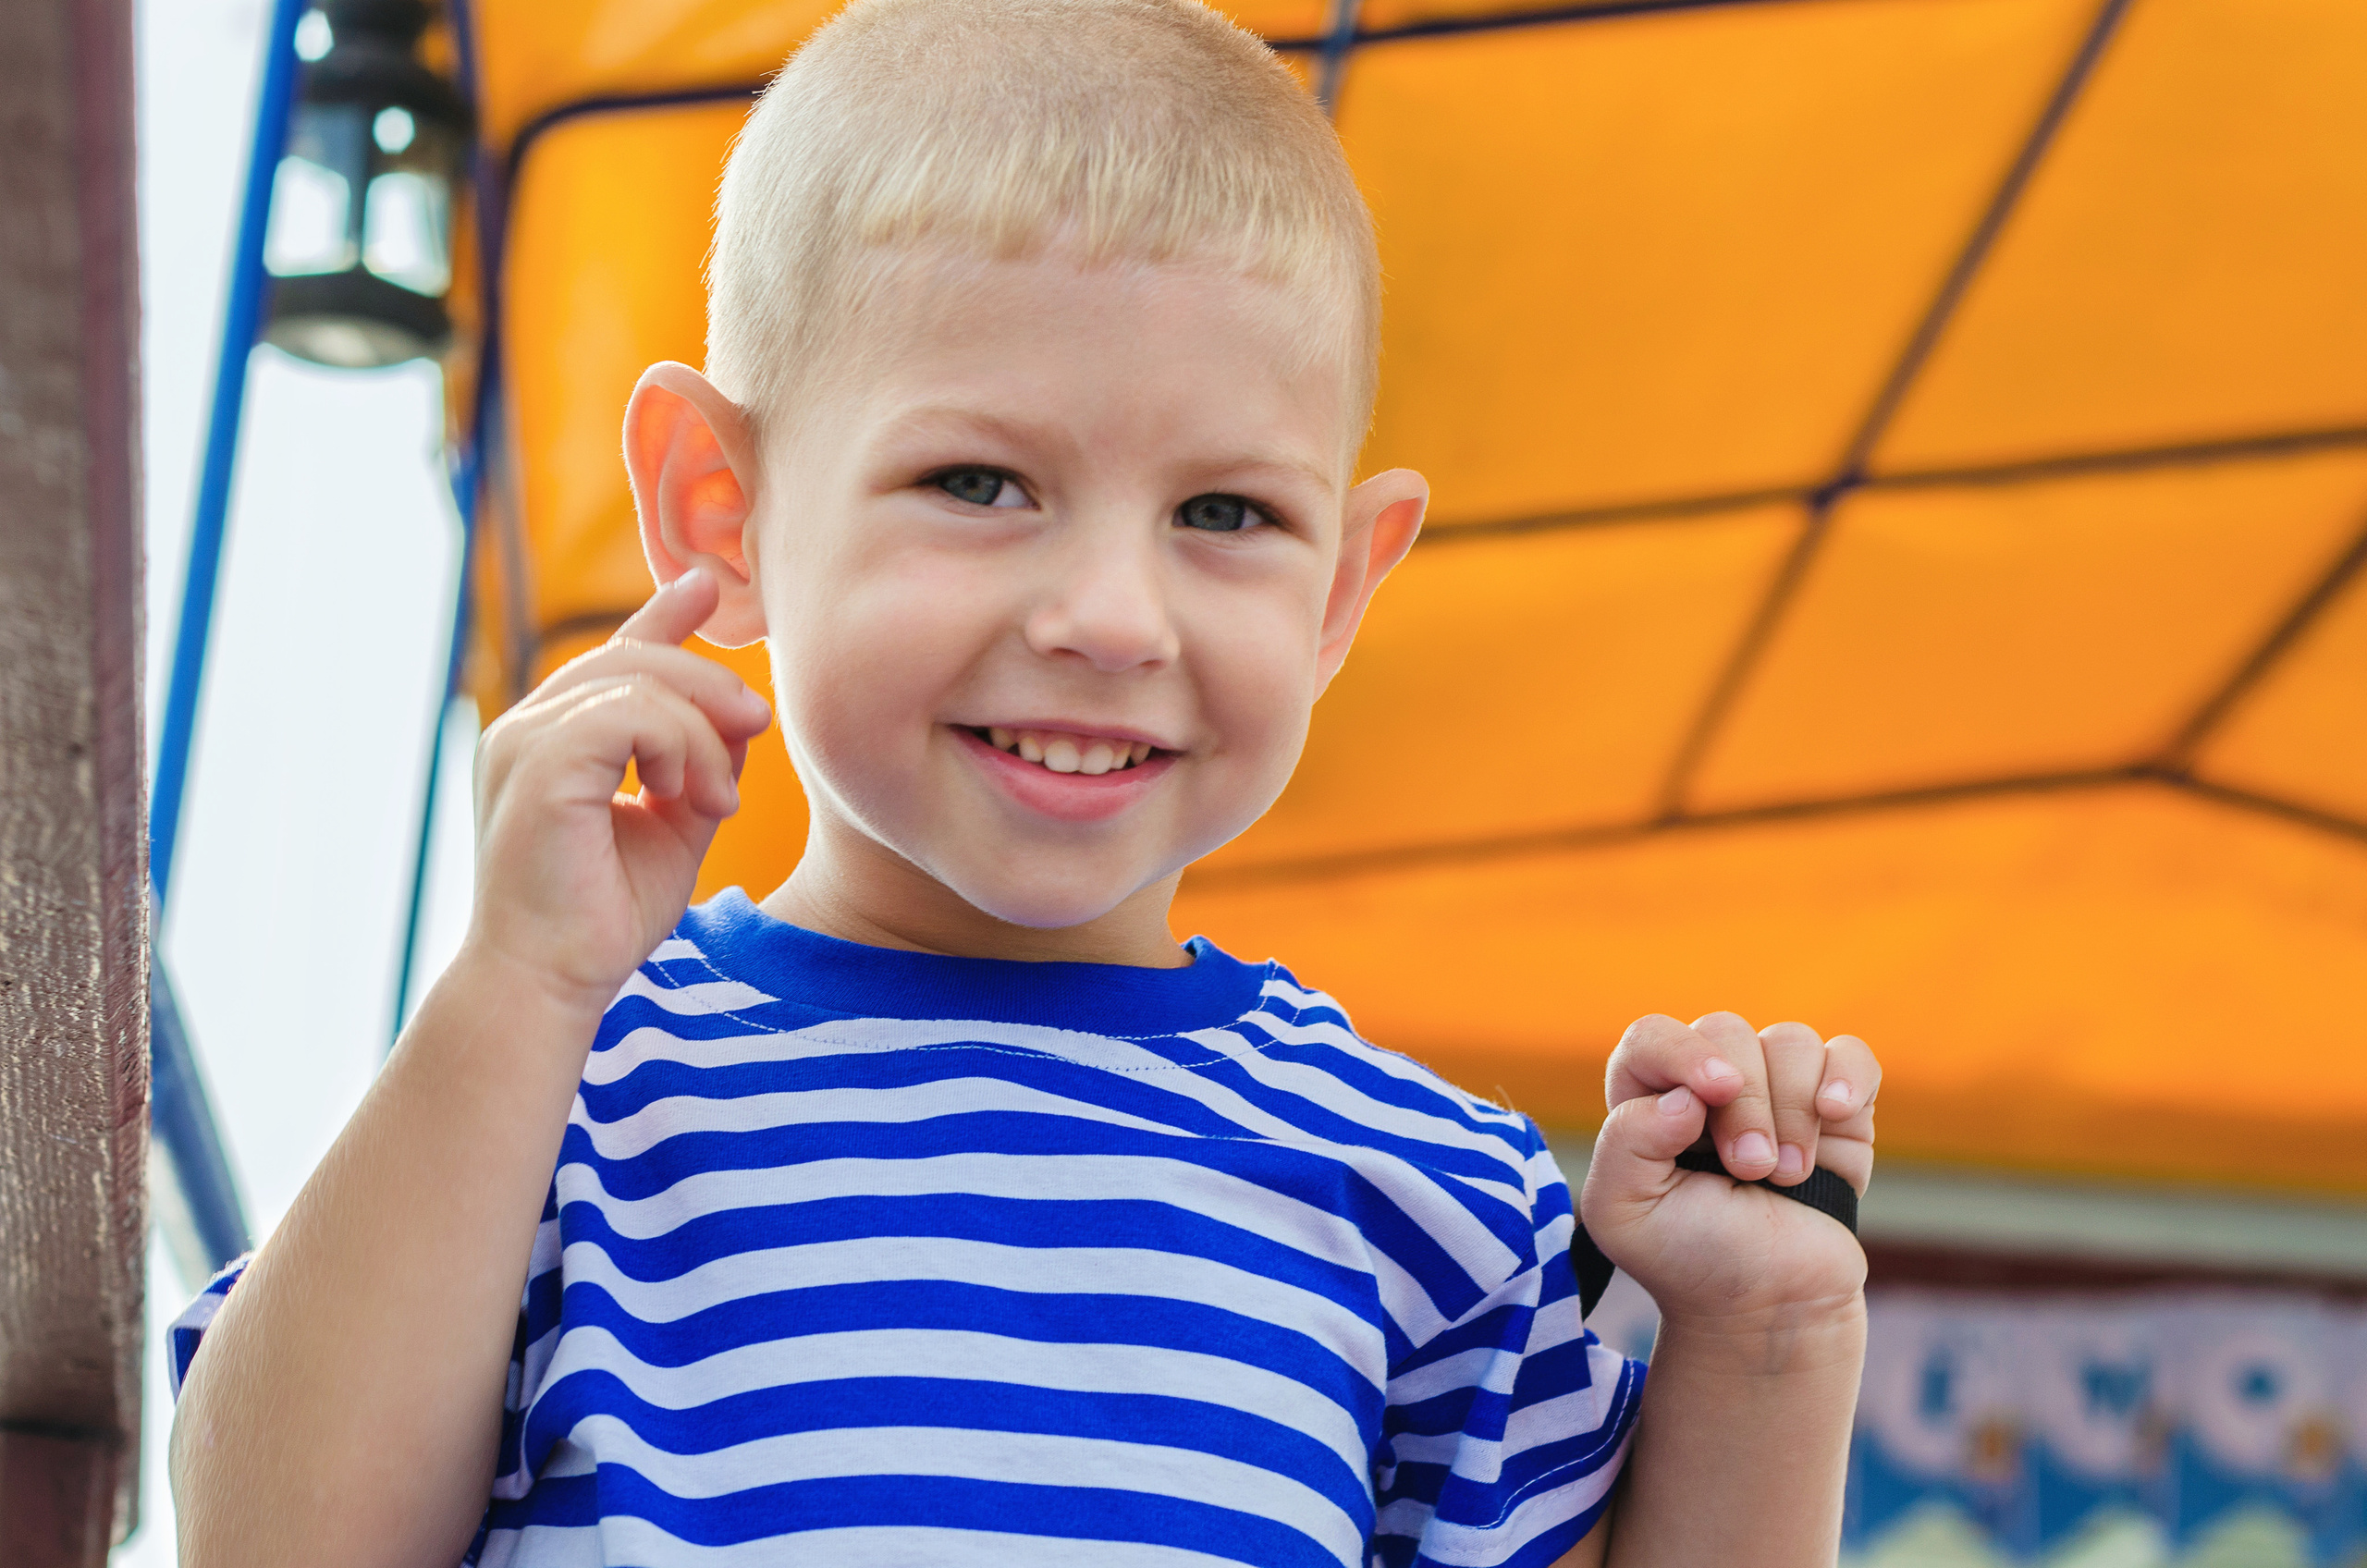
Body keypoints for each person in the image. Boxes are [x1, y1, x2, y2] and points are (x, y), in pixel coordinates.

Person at [168, 1, 1882, 1563]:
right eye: (979, 481)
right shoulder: (545, 1099)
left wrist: (1773, 1341)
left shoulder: (1433, 1195)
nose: (1109, 618)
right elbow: (265, 1538)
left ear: (1345, 588)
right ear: (718, 512)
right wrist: (516, 986)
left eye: (1226, 515)